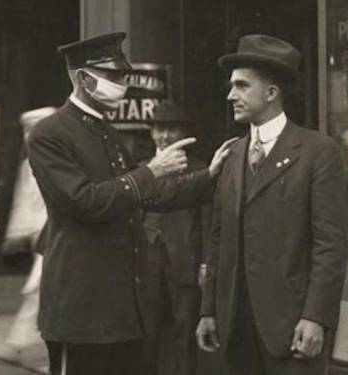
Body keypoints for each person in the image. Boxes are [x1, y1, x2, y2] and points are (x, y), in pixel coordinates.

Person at [27, 32, 235, 375]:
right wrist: (151, 171)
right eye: (114, 76)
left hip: (122, 312)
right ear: (83, 78)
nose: (122, 84)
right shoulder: (50, 134)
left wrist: (208, 177)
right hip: (81, 313)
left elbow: (147, 197)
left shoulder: (106, 132)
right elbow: (86, 201)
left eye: (124, 76)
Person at [196, 34, 348, 375]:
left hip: (292, 326)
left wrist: (315, 317)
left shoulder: (317, 152)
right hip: (236, 325)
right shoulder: (232, 154)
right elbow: (217, 241)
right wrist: (208, 310)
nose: (230, 95)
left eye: (241, 86)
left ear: (271, 93)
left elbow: (330, 246)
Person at [142, 101, 211, 375]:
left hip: (184, 260)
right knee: (147, 332)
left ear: (183, 133)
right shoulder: (141, 168)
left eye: (172, 129)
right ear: (152, 133)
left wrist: (205, 262)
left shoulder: (200, 168)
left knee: (184, 331)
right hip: (146, 262)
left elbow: (207, 220)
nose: (166, 136)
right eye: (160, 129)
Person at [4, 107, 56, 350]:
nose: (28, 136)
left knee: (41, 284)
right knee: (39, 284)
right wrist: (17, 231)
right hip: (42, 233)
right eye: (27, 130)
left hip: (54, 231)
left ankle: (23, 339)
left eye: (33, 130)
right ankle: (21, 339)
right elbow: (22, 199)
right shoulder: (29, 165)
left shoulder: (54, 160)